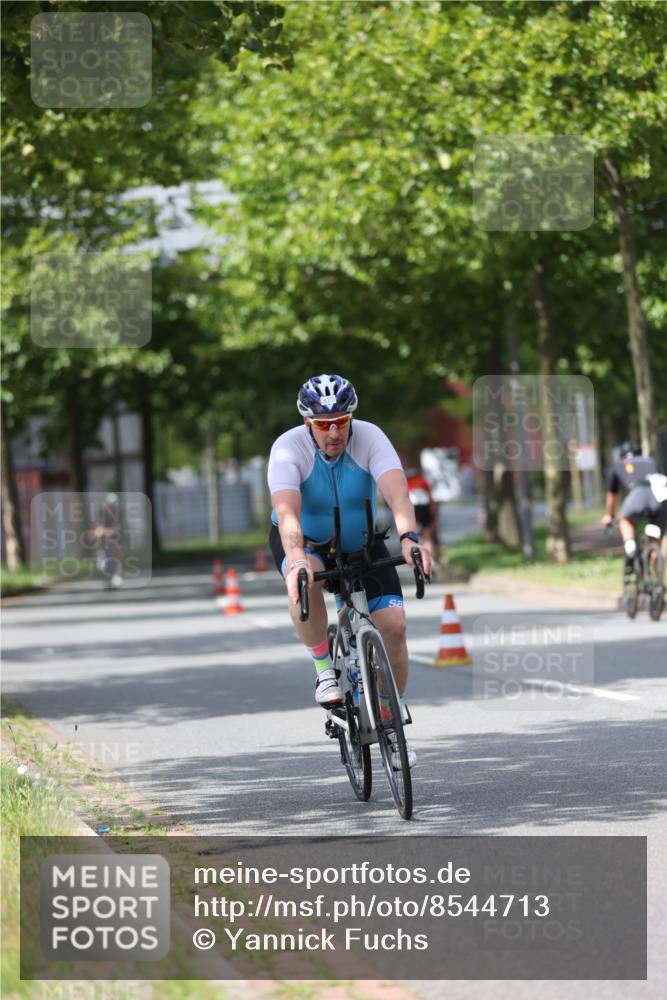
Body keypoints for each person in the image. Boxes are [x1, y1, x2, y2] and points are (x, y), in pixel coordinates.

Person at [267, 373, 433, 769]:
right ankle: (325, 666)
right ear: (308, 422)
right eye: (324, 425)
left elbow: (396, 492)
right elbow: (288, 513)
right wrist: (297, 559)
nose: (334, 432)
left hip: (360, 540)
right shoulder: (288, 449)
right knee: (304, 582)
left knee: (393, 626)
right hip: (306, 543)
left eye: (341, 422)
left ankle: (392, 721)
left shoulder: (370, 437)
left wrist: (409, 536)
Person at [601, 442, 667, 575]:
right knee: (655, 541)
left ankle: (630, 546)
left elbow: (612, 497)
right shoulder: (651, 461)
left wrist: (610, 515)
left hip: (637, 496)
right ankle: (657, 583)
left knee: (624, 519)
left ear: (622, 455)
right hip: (660, 498)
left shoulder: (619, 464)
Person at [405, 466, 440, 567]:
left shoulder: (407, 483)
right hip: (424, 507)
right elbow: (430, 498)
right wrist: (433, 512)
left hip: (413, 508)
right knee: (427, 536)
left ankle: (414, 561)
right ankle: (431, 559)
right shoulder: (423, 481)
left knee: (411, 536)